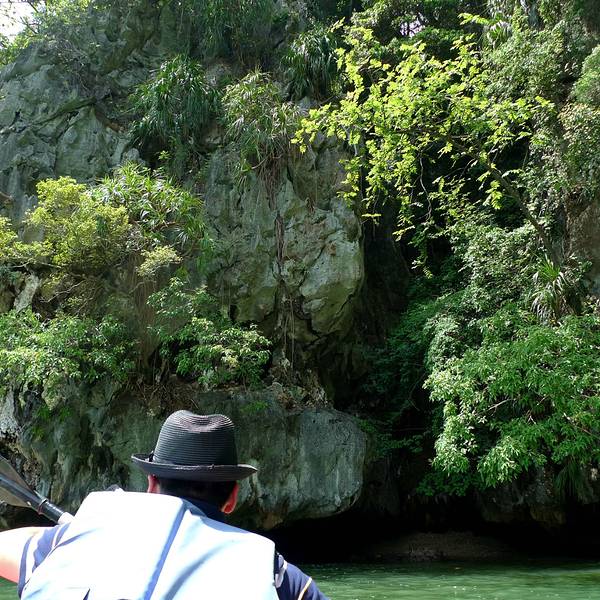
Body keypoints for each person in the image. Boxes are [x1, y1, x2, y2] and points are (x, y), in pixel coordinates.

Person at [0, 410, 329, 599]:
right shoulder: (273, 571)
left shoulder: (72, 541)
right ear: (232, 498)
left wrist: (80, 532)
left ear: (151, 484)